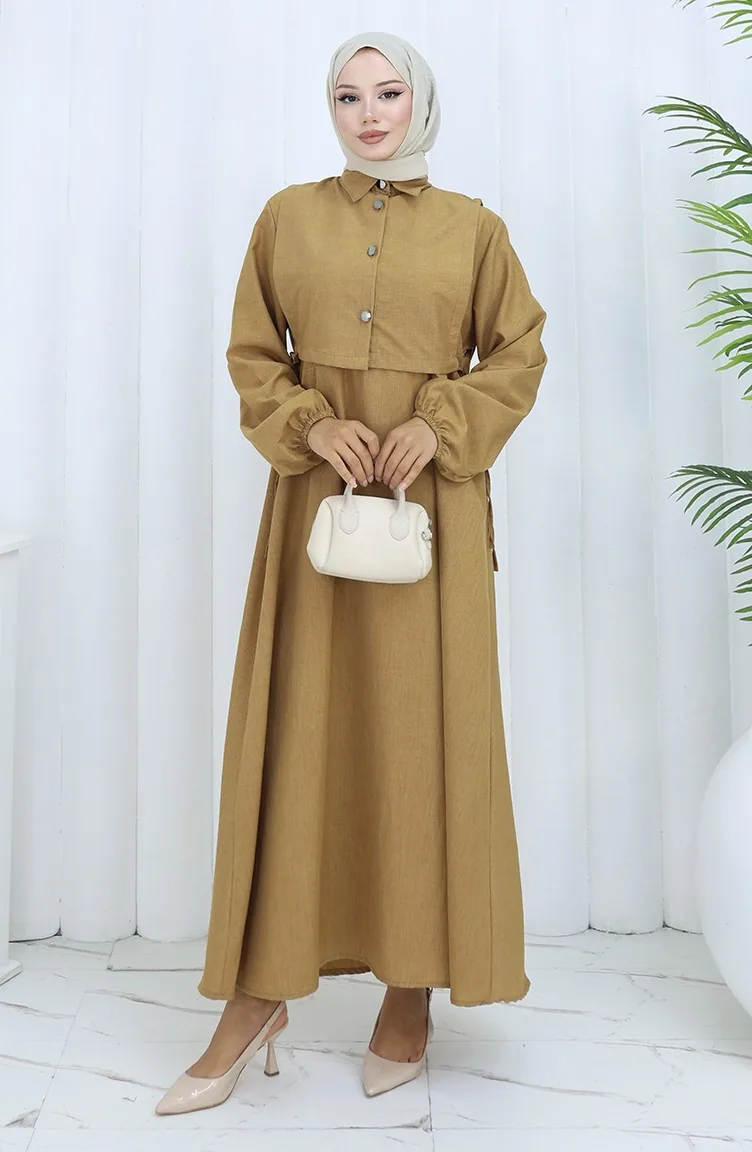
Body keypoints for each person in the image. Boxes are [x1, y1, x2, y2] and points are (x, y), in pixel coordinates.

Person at [155, 29, 548, 1116]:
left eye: (387, 93)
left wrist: (440, 421)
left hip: (431, 516)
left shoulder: (475, 229)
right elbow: (252, 353)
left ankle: (409, 993)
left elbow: (518, 352)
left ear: (419, 102)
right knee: (301, 737)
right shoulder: (287, 217)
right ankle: (257, 998)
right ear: (328, 109)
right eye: (346, 96)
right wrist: (308, 423)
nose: (368, 114)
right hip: (318, 512)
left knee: (422, 742)